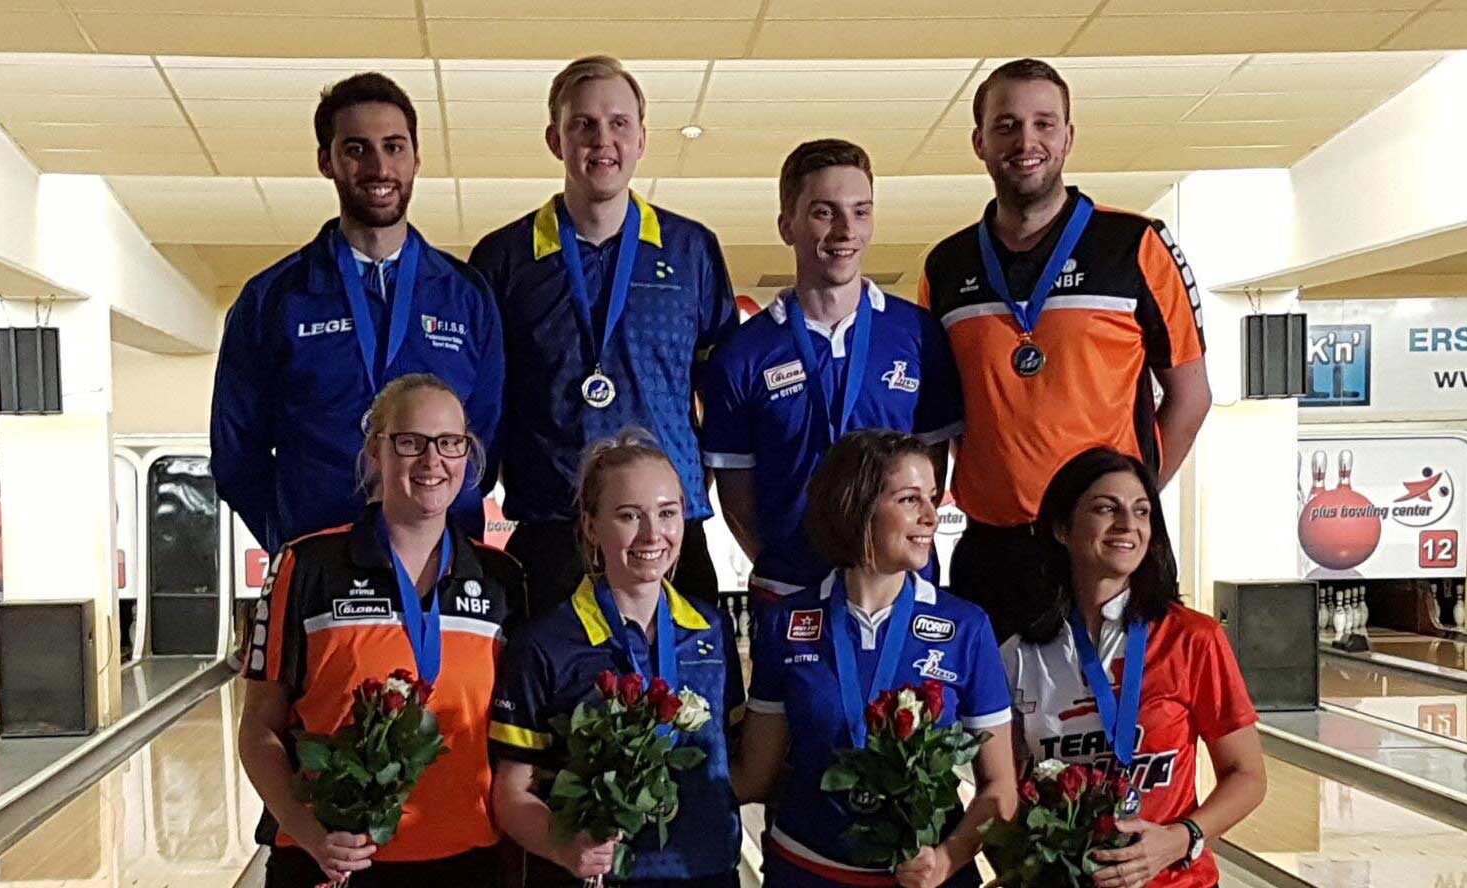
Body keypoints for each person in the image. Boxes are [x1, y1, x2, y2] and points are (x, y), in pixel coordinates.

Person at [916, 58, 1211, 639]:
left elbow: (1190, 396)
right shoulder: (947, 265)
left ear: (1069, 137)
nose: (1026, 141)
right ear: (979, 141)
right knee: (990, 727)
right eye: (1006, 125)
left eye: (1044, 124)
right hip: (993, 545)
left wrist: (1130, 501)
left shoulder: (1134, 245)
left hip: (1105, 548)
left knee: (1125, 722)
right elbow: (939, 419)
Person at [468, 56, 737, 613]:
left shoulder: (691, 251)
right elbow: (484, 405)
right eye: (583, 124)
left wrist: (691, 484)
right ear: (554, 139)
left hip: (667, 531)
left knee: (689, 698)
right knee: (550, 698)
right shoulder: (505, 257)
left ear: (641, 137)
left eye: (618, 123)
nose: (602, 140)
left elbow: (723, 391)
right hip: (552, 526)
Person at [238, 373, 525, 888]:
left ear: (468, 454)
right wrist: (310, 833)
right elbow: (260, 726)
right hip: (332, 860)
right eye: (410, 442)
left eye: (450, 443)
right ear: (376, 451)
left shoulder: (502, 580)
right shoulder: (306, 566)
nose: (432, 461)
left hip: (466, 860)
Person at [212, 72, 503, 555]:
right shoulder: (274, 299)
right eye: (356, 149)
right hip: (319, 557)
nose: (379, 167)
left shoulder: (466, 296)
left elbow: (485, 443)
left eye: (394, 147)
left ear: (416, 158)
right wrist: (294, 538)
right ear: (327, 161)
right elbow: (236, 453)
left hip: (442, 564)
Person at [734, 430, 1016, 888]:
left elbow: (1000, 789)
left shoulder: (966, 626)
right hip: (808, 872)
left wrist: (946, 859)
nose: (931, 516)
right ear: (857, 505)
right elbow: (755, 776)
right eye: (910, 500)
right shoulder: (786, 622)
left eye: (931, 498)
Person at [701, 139, 962, 603]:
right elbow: (738, 501)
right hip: (790, 591)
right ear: (787, 225)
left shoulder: (917, 335)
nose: (846, 230)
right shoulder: (742, 354)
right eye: (825, 213)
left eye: (860, 211)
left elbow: (931, 470)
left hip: (903, 590)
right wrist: (788, 564)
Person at [1000, 447, 1265, 888]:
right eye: (1106, 508)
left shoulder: (1193, 639)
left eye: (1141, 512)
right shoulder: (1019, 652)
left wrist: (1181, 839)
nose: (1128, 525)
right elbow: (1004, 794)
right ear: (1062, 528)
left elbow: (1248, 776)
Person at [489, 430, 744, 887]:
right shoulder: (545, 644)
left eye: (668, 513)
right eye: (629, 515)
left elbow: (736, 765)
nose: (653, 534)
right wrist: (562, 846)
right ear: (590, 525)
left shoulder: (712, 630)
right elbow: (510, 795)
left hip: (706, 870)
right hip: (597, 878)